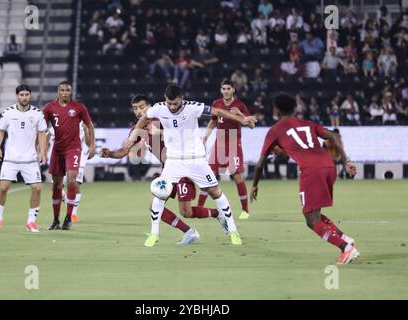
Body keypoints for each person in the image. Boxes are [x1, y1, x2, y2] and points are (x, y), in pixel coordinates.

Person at [126, 85, 257, 247]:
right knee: (159, 194)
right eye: (169, 103)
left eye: (175, 103)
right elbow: (144, 117)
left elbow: (218, 112)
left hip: (196, 159)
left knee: (215, 192)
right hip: (173, 160)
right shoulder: (159, 108)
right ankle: (154, 234)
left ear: (181, 99)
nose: (172, 107)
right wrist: (133, 137)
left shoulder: (193, 107)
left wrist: (242, 120)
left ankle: (233, 231)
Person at [250, 93, 360, 265]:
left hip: (311, 171)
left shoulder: (275, 130)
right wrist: (346, 162)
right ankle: (344, 238)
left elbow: (260, 164)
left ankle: (346, 248)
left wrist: (255, 185)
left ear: (276, 110)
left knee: (311, 220)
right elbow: (334, 136)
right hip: (329, 166)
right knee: (312, 212)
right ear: (294, 108)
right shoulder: (308, 124)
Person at [100, 94, 221, 245]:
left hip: (183, 166)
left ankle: (219, 214)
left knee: (185, 211)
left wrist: (160, 132)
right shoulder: (137, 130)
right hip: (169, 171)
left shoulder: (163, 119)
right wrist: (110, 154)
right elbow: (124, 151)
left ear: (150, 108)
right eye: (135, 108)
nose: (138, 111)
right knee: (162, 208)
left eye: (142, 107)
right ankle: (192, 231)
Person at [0, 84, 47, 233]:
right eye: (21, 95)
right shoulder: (8, 112)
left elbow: (42, 133)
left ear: (30, 96)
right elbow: (0, 131)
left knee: (37, 188)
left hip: (30, 159)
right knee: (3, 187)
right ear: (17, 96)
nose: (24, 97)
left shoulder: (37, 114)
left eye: (27, 94)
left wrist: (43, 152)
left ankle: (31, 222)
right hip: (11, 158)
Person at [42, 81, 96, 231]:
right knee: (56, 186)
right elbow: (42, 128)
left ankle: (68, 217)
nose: (65, 93)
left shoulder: (79, 107)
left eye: (67, 90)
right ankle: (55, 220)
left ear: (70, 92)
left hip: (73, 149)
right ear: (58, 91)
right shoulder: (49, 108)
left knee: (72, 181)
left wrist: (92, 146)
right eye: (62, 90)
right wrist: (40, 149)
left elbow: (90, 125)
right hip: (57, 150)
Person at [198, 80, 252, 220]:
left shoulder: (240, 105)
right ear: (221, 90)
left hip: (234, 141)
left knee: (237, 175)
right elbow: (213, 121)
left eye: (228, 88)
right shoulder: (217, 103)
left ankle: (245, 210)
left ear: (233, 90)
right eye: (224, 88)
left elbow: (251, 124)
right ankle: (199, 207)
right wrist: (205, 138)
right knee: (208, 174)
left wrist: (240, 114)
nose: (226, 91)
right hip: (219, 141)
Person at [47, 121, 90, 223]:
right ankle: (69, 202)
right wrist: (45, 148)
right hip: (62, 157)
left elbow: (89, 143)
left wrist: (85, 129)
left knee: (75, 185)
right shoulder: (64, 120)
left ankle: (73, 214)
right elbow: (48, 133)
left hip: (78, 157)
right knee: (55, 188)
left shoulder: (83, 123)